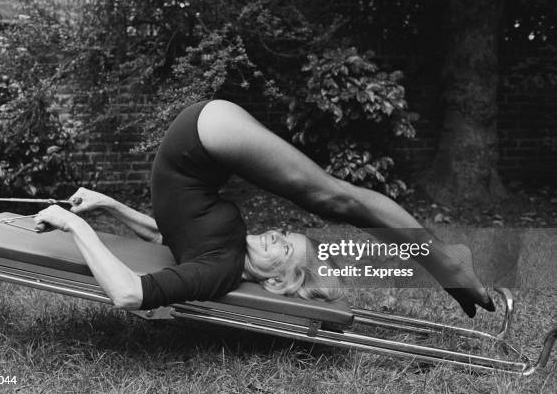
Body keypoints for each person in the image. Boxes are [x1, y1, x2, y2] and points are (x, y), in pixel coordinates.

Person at [35, 100, 496, 317]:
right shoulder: (225, 255)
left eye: (284, 248)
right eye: (285, 235)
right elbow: (171, 233)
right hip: (204, 140)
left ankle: (447, 264)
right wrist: (103, 207)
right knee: (333, 198)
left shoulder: (216, 267)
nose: (276, 234)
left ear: (277, 280)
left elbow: (131, 290)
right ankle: (446, 264)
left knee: (335, 198)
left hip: (203, 139)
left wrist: (82, 216)